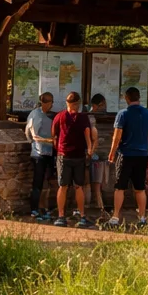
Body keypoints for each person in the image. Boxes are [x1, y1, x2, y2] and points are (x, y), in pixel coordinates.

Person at [107, 86, 148, 227]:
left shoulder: (123, 114)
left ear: (126, 98)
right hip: (142, 155)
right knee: (140, 188)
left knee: (120, 187)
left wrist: (112, 152)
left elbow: (117, 136)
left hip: (126, 154)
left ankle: (116, 217)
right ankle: (142, 218)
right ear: (139, 98)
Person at [51, 91, 94, 227]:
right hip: (79, 156)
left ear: (67, 103)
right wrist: (89, 150)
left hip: (63, 155)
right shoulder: (83, 118)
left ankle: (61, 216)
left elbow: (54, 136)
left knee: (62, 186)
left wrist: (58, 149)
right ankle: (82, 216)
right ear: (78, 104)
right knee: (78, 186)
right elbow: (88, 135)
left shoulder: (59, 116)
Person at [25, 92, 55, 219]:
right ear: (46, 103)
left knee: (47, 182)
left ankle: (43, 208)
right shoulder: (35, 115)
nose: (52, 105)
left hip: (49, 152)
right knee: (38, 183)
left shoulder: (48, 115)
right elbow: (32, 135)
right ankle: (34, 209)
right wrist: (49, 141)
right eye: (51, 102)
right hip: (39, 153)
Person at [87, 94, 108, 214]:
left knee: (97, 183)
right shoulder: (90, 118)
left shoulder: (95, 117)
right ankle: (99, 207)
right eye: (101, 105)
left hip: (96, 154)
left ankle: (99, 205)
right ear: (95, 105)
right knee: (94, 184)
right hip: (91, 154)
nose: (103, 107)